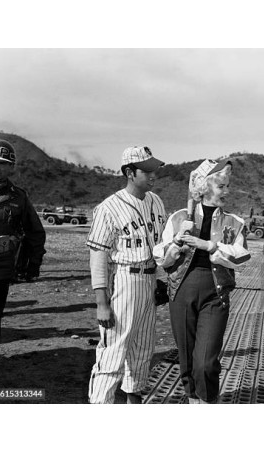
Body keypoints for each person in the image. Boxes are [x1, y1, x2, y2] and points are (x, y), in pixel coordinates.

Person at [153, 159, 250, 404]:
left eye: (227, 186)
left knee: (205, 362)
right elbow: (161, 260)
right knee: (186, 358)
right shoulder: (178, 218)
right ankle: (192, 400)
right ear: (205, 188)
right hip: (181, 290)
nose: (226, 192)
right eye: (221, 187)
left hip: (215, 294)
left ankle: (207, 402)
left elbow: (241, 256)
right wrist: (176, 241)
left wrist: (210, 246)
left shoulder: (235, 223)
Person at [86, 146, 166, 404]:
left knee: (142, 350)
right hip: (125, 279)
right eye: (148, 170)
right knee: (113, 350)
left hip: (150, 278)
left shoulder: (156, 201)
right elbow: (98, 256)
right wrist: (101, 303)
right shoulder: (108, 207)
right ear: (130, 172)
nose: (154, 174)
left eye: (155, 169)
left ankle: (134, 404)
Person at [0, 139, 46, 370]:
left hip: (0, 273)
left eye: (3, 163)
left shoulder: (19, 197)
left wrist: (32, 266)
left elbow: (35, 233)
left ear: (12, 167)